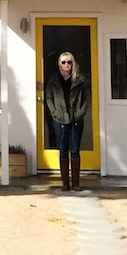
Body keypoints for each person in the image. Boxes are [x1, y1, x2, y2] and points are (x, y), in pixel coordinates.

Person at [44, 51, 90, 191]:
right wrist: (54, 113)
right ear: (59, 64)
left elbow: (85, 99)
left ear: (73, 64)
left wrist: (80, 113)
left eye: (69, 62)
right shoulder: (53, 80)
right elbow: (49, 98)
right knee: (63, 150)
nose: (66, 65)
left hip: (76, 120)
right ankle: (65, 183)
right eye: (63, 62)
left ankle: (76, 183)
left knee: (75, 150)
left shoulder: (80, 80)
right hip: (60, 120)